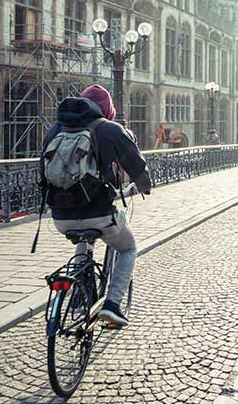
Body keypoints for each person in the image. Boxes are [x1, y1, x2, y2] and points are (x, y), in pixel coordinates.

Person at [41, 84, 152, 327]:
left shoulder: (55, 130)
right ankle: (112, 305)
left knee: (83, 239)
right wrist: (144, 185)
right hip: (100, 214)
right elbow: (136, 166)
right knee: (127, 249)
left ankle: (80, 297)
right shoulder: (110, 129)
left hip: (60, 216)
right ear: (109, 109)